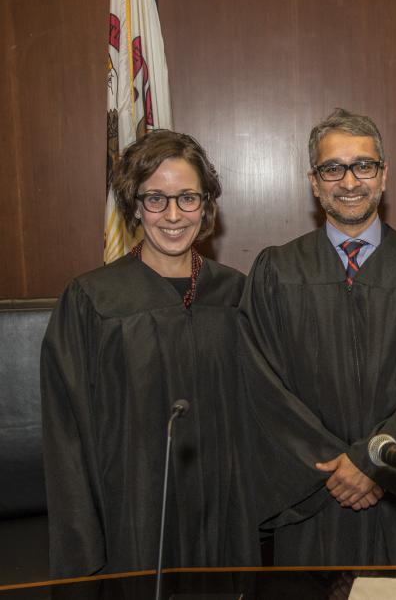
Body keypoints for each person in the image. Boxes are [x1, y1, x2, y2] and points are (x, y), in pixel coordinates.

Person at [238, 108, 396, 565]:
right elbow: (261, 385)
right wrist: (336, 467)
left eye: (363, 166)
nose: (349, 181)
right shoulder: (276, 270)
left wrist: (375, 462)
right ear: (314, 180)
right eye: (332, 168)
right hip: (312, 496)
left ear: (383, 176)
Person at [41, 130, 258, 577]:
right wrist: (85, 546)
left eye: (187, 198)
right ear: (135, 206)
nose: (173, 215)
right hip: (133, 519)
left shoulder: (236, 293)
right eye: (156, 198)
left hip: (224, 516)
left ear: (206, 204)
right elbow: (67, 437)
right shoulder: (93, 300)